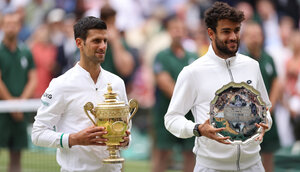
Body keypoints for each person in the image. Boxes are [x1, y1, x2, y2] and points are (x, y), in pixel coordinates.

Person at [164, 2, 272, 171]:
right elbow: (171, 119)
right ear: (211, 33)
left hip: (253, 165)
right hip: (210, 167)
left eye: (236, 30)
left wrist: (266, 122)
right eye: (226, 31)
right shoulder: (192, 72)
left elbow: (265, 109)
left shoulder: (252, 66)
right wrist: (198, 129)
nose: (233, 37)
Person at [31, 16, 130, 172]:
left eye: (105, 40)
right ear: (79, 43)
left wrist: (124, 140)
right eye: (96, 41)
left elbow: (125, 131)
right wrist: (74, 139)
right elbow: (38, 133)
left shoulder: (117, 83)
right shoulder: (61, 84)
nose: (103, 46)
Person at [152, 14, 197, 172]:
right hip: (166, 111)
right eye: (174, 29)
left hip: (190, 114)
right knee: (162, 153)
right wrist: (188, 100)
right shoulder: (161, 56)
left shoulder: (193, 56)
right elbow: (164, 83)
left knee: (190, 153)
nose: (178, 32)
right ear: (169, 32)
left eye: (181, 29)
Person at [0, 12, 37, 172]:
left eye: (14, 24)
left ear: (19, 27)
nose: (10, 27)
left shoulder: (26, 52)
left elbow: (33, 79)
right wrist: (11, 104)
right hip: (2, 112)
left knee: (16, 156)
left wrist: (21, 102)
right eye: (7, 24)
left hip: (20, 111)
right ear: (2, 26)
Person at [241, 21, 281, 172]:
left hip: (268, 114)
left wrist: (270, 107)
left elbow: (276, 81)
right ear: (244, 37)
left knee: (269, 152)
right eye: (251, 35)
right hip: (248, 118)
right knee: (248, 154)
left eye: (257, 35)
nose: (255, 38)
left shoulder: (268, 58)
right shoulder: (241, 61)